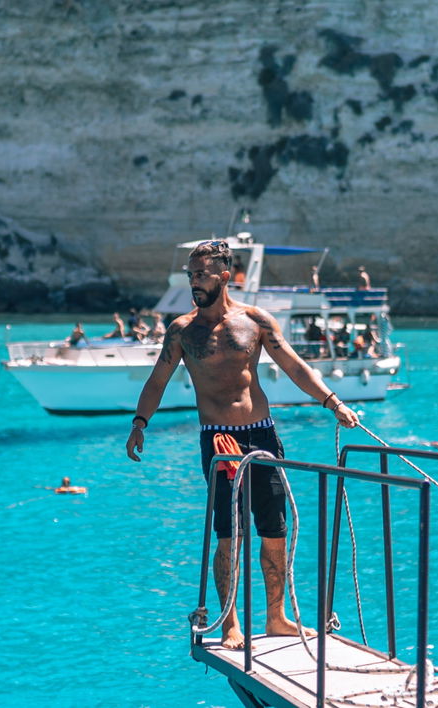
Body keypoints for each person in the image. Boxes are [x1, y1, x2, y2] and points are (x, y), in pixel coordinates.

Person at [125, 239, 358, 650]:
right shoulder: (182, 331)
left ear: (224, 277)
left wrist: (332, 402)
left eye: (202, 274)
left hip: (263, 435)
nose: (194, 282)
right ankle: (230, 622)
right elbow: (157, 381)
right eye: (191, 275)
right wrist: (139, 423)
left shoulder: (255, 321)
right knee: (229, 534)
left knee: (274, 530)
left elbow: (294, 366)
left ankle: (276, 617)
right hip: (219, 442)